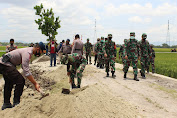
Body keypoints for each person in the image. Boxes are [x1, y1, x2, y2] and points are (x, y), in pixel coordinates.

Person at [0, 42, 45, 110]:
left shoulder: (28, 50)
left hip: (3, 63)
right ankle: (16, 103)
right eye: (41, 52)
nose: (40, 54)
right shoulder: (27, 53)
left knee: (9, 82)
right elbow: (26, 72)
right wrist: (35, 83)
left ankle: (6, 104)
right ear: (38, 49)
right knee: (20, 81)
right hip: (5, 64)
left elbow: (24, 68)